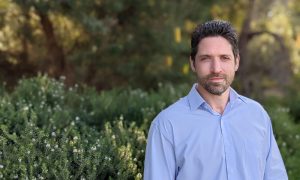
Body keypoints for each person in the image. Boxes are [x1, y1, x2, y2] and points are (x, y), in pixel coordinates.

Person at [143, 20, 288, 180]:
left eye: (224, 58)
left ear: (237, 62)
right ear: (193, 63)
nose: (216, 68)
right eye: (206, 58)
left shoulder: (257, 115)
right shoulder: (166, 125)